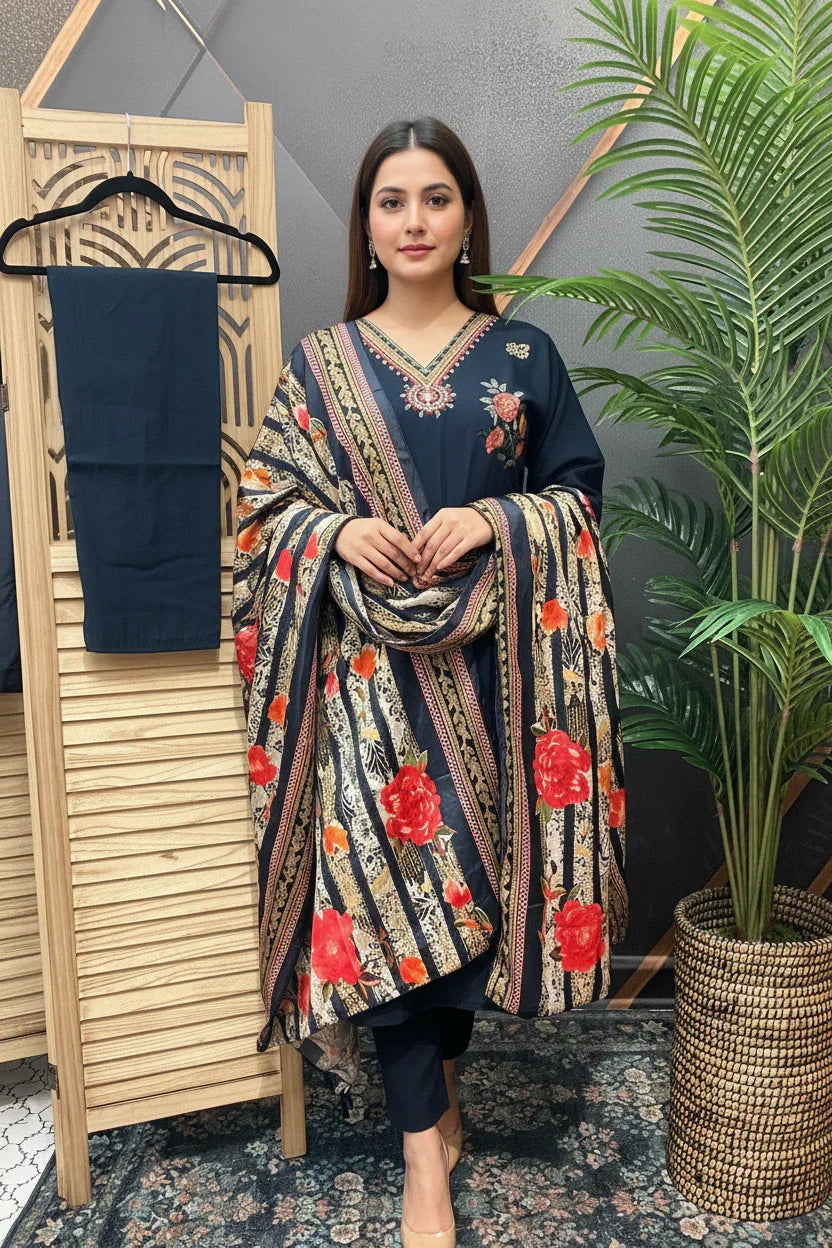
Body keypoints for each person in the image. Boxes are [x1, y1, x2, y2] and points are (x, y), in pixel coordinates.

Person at [232, 116, 628, 1247]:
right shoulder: (320, 364)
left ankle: (435, 1092)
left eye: (436, 198)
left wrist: (493, 518)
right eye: (391, 200)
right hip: (363, 697)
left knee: (471, 916)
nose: (414, 221)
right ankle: (421, 1164)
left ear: (466, 219)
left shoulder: (522, 358)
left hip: (495, 687)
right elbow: (266, 510)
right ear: (365, 224)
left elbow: (579, 499)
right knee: (381, 920)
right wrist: (332, 532)